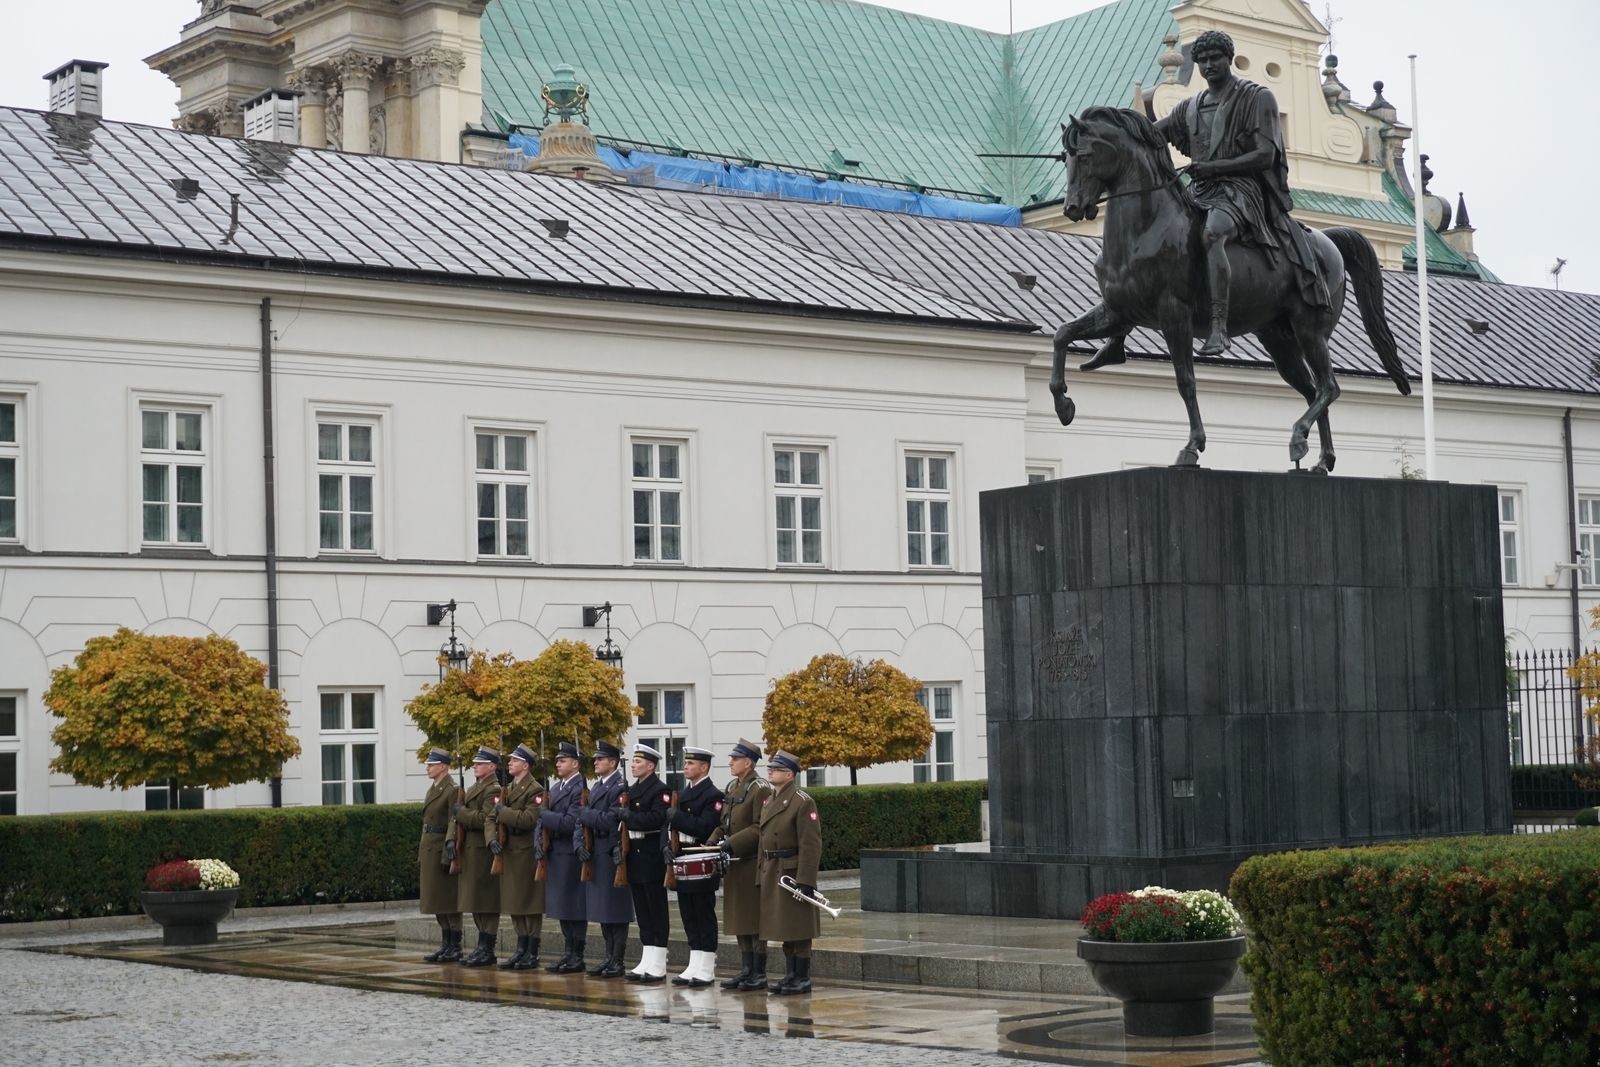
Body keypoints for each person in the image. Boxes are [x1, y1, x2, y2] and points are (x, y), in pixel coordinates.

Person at [1152, 28, 1328, 357]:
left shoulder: (1256, 97)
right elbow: (1148, 133)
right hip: (1200, 189)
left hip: (1241, 190)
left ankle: (1219, 327)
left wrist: (1216, 168)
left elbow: (1266, 155)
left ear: (1229, 58)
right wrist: (1107, 131)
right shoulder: (1189, 107)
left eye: (1214, 57)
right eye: (1201, 60)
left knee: (1212, 233)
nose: (1207, 65)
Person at [756, 748, 822, 995]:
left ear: (790, 775)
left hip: (792, 871)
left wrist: (806, 879)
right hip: (772, 869)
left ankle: (802, 976)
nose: (770, 772)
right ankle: (790, 973)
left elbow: (811, 843)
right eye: (770, 768)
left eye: (776, 769)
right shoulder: (769, 800)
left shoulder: (802, 802)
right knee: (783, 925)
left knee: (799, 927)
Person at [709, 738, 772, 990]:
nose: (730, 763)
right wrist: (712, 842)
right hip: (734, 863)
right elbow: (724, 822)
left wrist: (731, 842)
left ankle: (759, 971)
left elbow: (761, 827)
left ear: (748, 763)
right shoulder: (733, 786)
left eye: (734, 759)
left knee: (754, 920)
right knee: (739, 919)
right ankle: (746, 969)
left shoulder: (760, 788)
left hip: (750, 862)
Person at [666, 745, 724, 987]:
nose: (685, 767)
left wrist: (676, 817)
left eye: (691, 764)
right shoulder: (681, 793)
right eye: (685, 763)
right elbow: (668, 828)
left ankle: (707, 965)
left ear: (704, 767)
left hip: (700, 859)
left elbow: (704, 826)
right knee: (688, 915)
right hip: (681, 859)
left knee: (703, 914)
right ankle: (694, 962)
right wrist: (666, 846)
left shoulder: (713, 795)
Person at [576, 739, 633, 978]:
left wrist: (587, 814)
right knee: (602, 910)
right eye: (595, 759)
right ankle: (608, 957)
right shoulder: (597, 787)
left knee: (615, 910)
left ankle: (617, 959)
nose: (595, 762)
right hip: (595, 851)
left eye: (600, 759)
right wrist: (579, 843)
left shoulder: (620, 787)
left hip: (611, 851)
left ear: (613, 762)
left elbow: (611, 818)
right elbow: (581, 821)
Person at [619, 743, 672, 983]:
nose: (633, 765)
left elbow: (657, 818)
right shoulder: (631, 789)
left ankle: (659, 960)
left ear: (650, 766)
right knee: (642, 909)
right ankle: (647, 956)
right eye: (632, 761)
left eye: (638, 762)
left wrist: (631, 817)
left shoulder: (660, 790)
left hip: (651, 853)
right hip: (635, 854)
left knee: (656, 909)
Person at [495, 743, 548, 970]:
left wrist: (504, 813)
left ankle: (531, 950)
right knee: (514, 902)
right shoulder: (508, 788)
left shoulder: (535, 790)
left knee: (530, 903)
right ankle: (520, 947)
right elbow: (492, 816)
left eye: (514, 761)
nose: (510, 764)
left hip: (526, 850)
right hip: (510, 849)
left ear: (525, 765)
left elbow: (529, 819)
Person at [450, 745, 504, 968]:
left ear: (491, 766)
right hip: (471, 850)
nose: (474, 766)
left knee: (486, 903)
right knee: (475, 902)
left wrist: (461, 813)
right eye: (474, 763)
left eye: (479, 763)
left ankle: (488, 948)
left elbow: (484, 818)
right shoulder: (475, 787)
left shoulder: (493, 789)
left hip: (482, 850)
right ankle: (481, 946)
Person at [539, 740, 589, 974]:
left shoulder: (580, 788)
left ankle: (577, 955)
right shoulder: (557, 788)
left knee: (574, 907)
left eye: (563, 760)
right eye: (558, 760)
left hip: (570, 853)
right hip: (555, 853)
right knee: (561, 908)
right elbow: (541, 822)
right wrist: (538, 842)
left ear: (576, 764)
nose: (558, 764)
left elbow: (570, 823)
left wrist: (547, 816)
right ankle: (567, 953)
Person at [418, 747, 463, 962]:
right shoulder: (434, 787)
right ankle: (445, 944)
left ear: (443, 767)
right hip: (429, 848)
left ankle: (455, 945)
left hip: (441, 849)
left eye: (431, 765)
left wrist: (448, 853)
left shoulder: (451, 789)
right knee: (435, 901)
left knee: (448, 901)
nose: (427, 768)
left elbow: (453, 822)